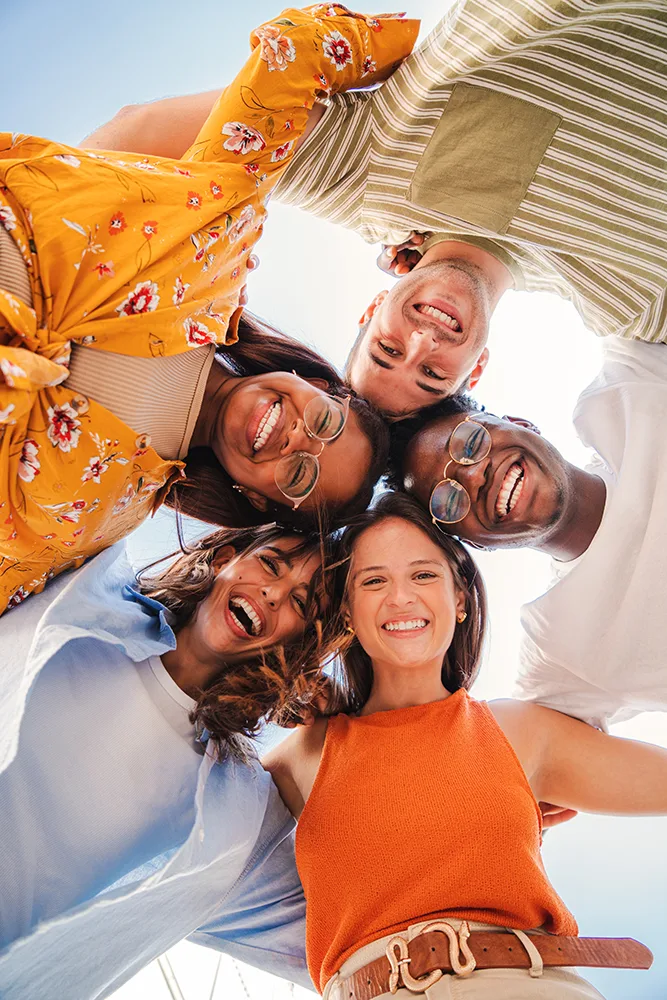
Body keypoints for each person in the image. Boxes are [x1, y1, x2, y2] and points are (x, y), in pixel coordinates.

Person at [0, 5, 418, 614]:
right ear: (315, 383)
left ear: (257, 501)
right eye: (325, 421)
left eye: (300, 475)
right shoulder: (217, 254)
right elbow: (297, 54)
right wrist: (431, 74)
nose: (295, 435)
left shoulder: (104, 516)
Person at [78, 3, 667, 418]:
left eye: (387, 350)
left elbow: (135, 135)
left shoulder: (362, 180)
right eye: (433, 374)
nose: (421, 345)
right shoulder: (629, 303)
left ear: (372, 307)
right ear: (476, 366)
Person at [264, 493, 662, 999]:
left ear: (460, 598)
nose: (401, 597)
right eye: (373, 580)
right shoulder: (308, 752)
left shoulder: (519, 731)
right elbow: (188, 813)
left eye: (424, 575)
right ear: (347, 611)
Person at [0, 520, 340, 996]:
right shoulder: (80, 594)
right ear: (226, 560)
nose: (273, 594)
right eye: (270, 564)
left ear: (296, 643)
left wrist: (345, 729)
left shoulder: (236, 824)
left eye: (302, 603)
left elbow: (339, 946)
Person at [389, 334, 667, 729]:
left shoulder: (630, 380)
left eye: (470, 441)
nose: (474, 475)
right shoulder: (559, 652)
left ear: (519, 424)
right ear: (474, 542)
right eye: (448, 501)